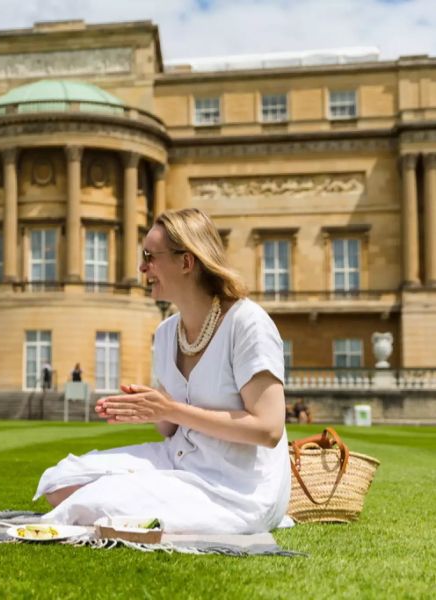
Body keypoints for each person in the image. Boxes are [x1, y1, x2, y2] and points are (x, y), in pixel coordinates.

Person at [33, 208, 290, 534]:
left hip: (237, 487)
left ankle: (148, 494)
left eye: (151, 257)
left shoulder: (247, 323)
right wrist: (150, 409)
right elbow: (170, 427)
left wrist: (171, 408)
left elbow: (268, 430)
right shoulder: (168, 332)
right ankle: (150, 490)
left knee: (90, 504)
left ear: (186, 262)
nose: (142, 268)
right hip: (178, 458)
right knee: (60, 482)